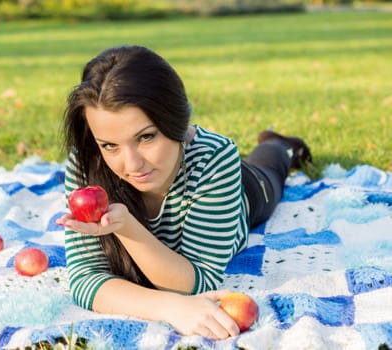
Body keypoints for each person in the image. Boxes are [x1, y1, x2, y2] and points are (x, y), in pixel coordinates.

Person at [56, 45, 312, 340]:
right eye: (110, 145)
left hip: (247, 194)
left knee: (271, 169)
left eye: (146, 137)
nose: (131, 165)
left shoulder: (215, 158)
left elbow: (201, 281)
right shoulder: (86, 162)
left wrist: (127, 228)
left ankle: (280, 144)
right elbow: (85, 279)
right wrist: (171, 307)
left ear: (177, 122)